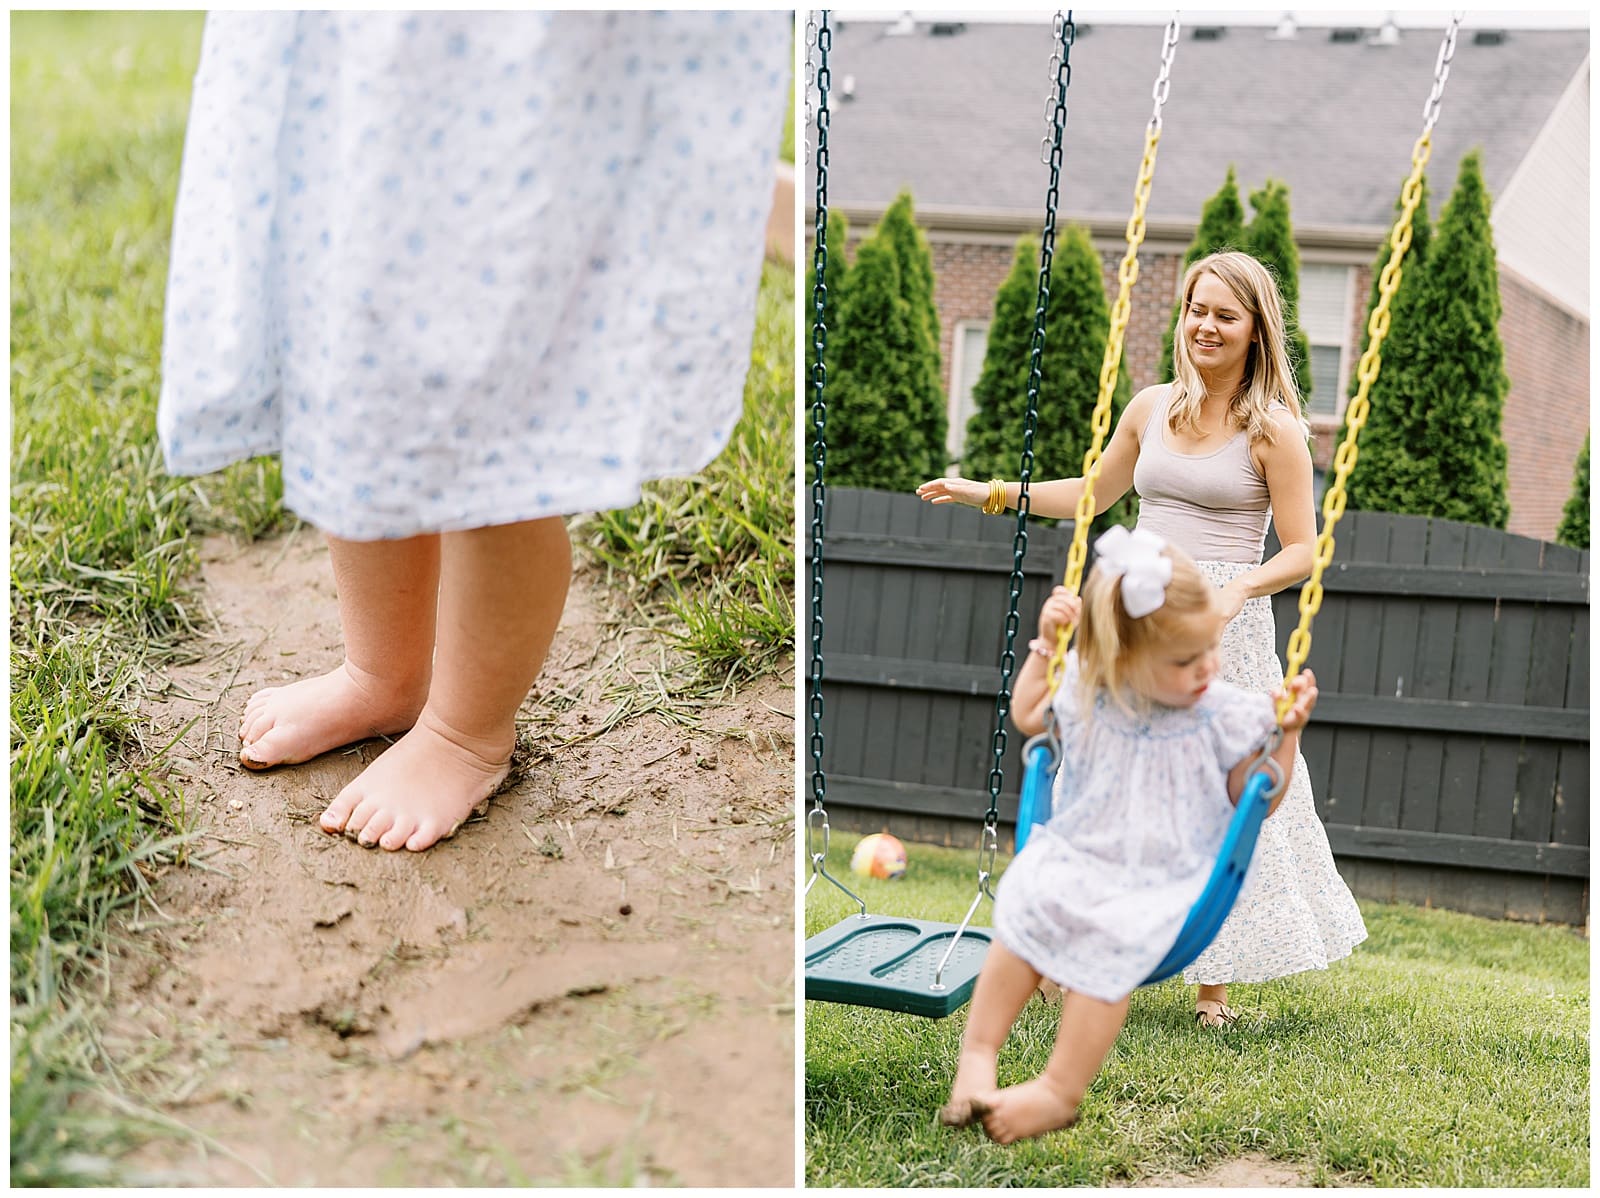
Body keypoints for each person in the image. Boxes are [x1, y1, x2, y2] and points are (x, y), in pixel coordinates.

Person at [157, 11, 790, 851]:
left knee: (495, 422)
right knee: (360, 382)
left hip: (516, 86)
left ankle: (466, 730)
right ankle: (381, 675)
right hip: (361, 82)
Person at [918, 249, 1366, 1026]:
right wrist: (986, 491)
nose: (1206, 326)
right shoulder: (1150, 406)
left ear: (1256, 330)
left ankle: (1212, 984)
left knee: (1221, 779)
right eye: (1197, 309)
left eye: (1226, 315)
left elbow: (1302, 548)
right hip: (1135, 608)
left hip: (1217, 623)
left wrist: (1238, 590)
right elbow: (1095, 492)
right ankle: (1070, 947)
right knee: (1107, 765)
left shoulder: (1275, 432)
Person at [939, 528, 1319, 1144]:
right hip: (1080, 855)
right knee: (1023, 905)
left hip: (1159, 880)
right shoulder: (1095, 693)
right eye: (1182, 660)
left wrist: (1287, 732)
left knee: (1106, 944)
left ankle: (1059, 1090)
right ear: (1121, 659)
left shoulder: (1222, 712)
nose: (1205, 669)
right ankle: (978, 1057)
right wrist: (1046, 647)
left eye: (1209, 650)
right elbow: (1029, 714)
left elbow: (1261, 797)